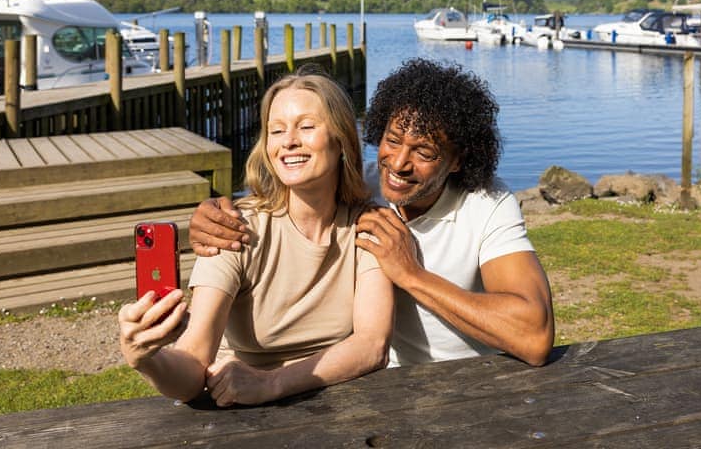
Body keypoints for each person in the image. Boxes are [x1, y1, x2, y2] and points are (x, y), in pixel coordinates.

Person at [189, 58, 554, 368]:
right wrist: (211, 213)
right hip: (377, 384)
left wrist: (411, 275)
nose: (398, 164)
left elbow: (534, 336)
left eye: (423, 152)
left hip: (472, 380)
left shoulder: (486, 203)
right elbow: (277, 200)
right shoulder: (356, 187)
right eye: (392, 140)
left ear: (458, 159)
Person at [118, 67, 394, 406]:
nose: (289, 141)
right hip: (236, 403)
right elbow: (193, 363)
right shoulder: (234, 229)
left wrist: (272, 383)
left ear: (341, 141)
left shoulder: (368, 225)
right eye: (276, 130)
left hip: (332, 397)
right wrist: (147, 359)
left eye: (306, 126)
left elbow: (372, 346)